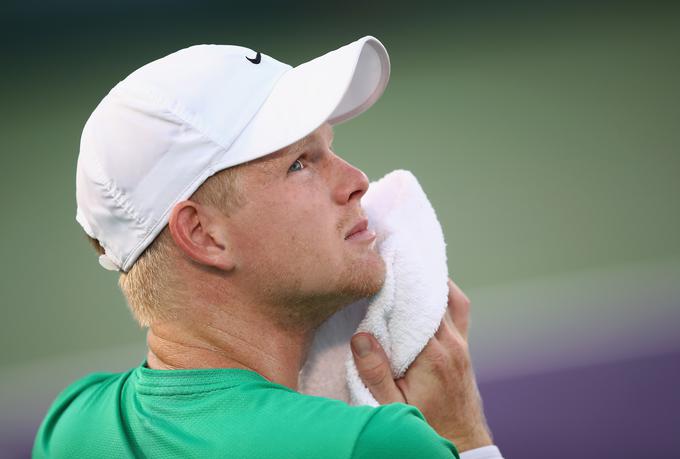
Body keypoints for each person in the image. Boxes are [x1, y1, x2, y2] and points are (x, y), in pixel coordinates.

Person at [33, 36, 503, 458]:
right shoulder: (369, 444)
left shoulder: (70, 425)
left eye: (329, 148)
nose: (357, 182)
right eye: (299, 163)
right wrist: (465, 437)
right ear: (203, 234)